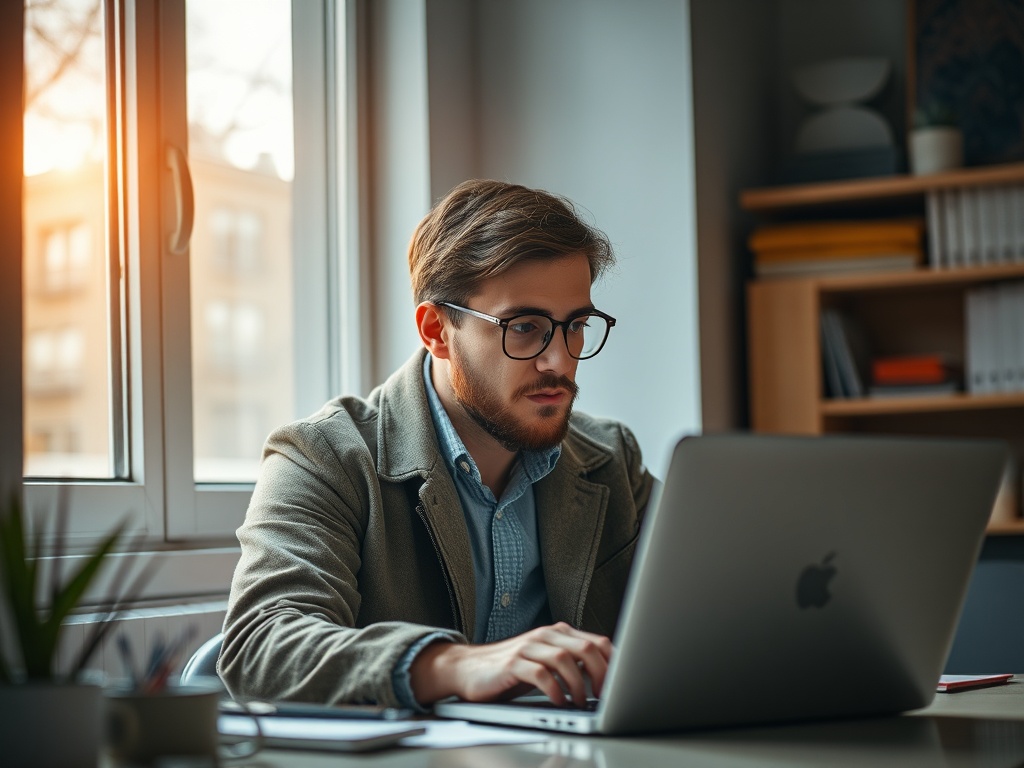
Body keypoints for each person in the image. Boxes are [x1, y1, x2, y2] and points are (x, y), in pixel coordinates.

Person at [219, 179, 655, 710]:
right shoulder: (324, 457)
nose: (560, 361)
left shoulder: (612, 460)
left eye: (576, 325)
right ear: (436, 329)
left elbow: (704, 610)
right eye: (525, 327)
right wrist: (453, 665)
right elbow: (260, 646)